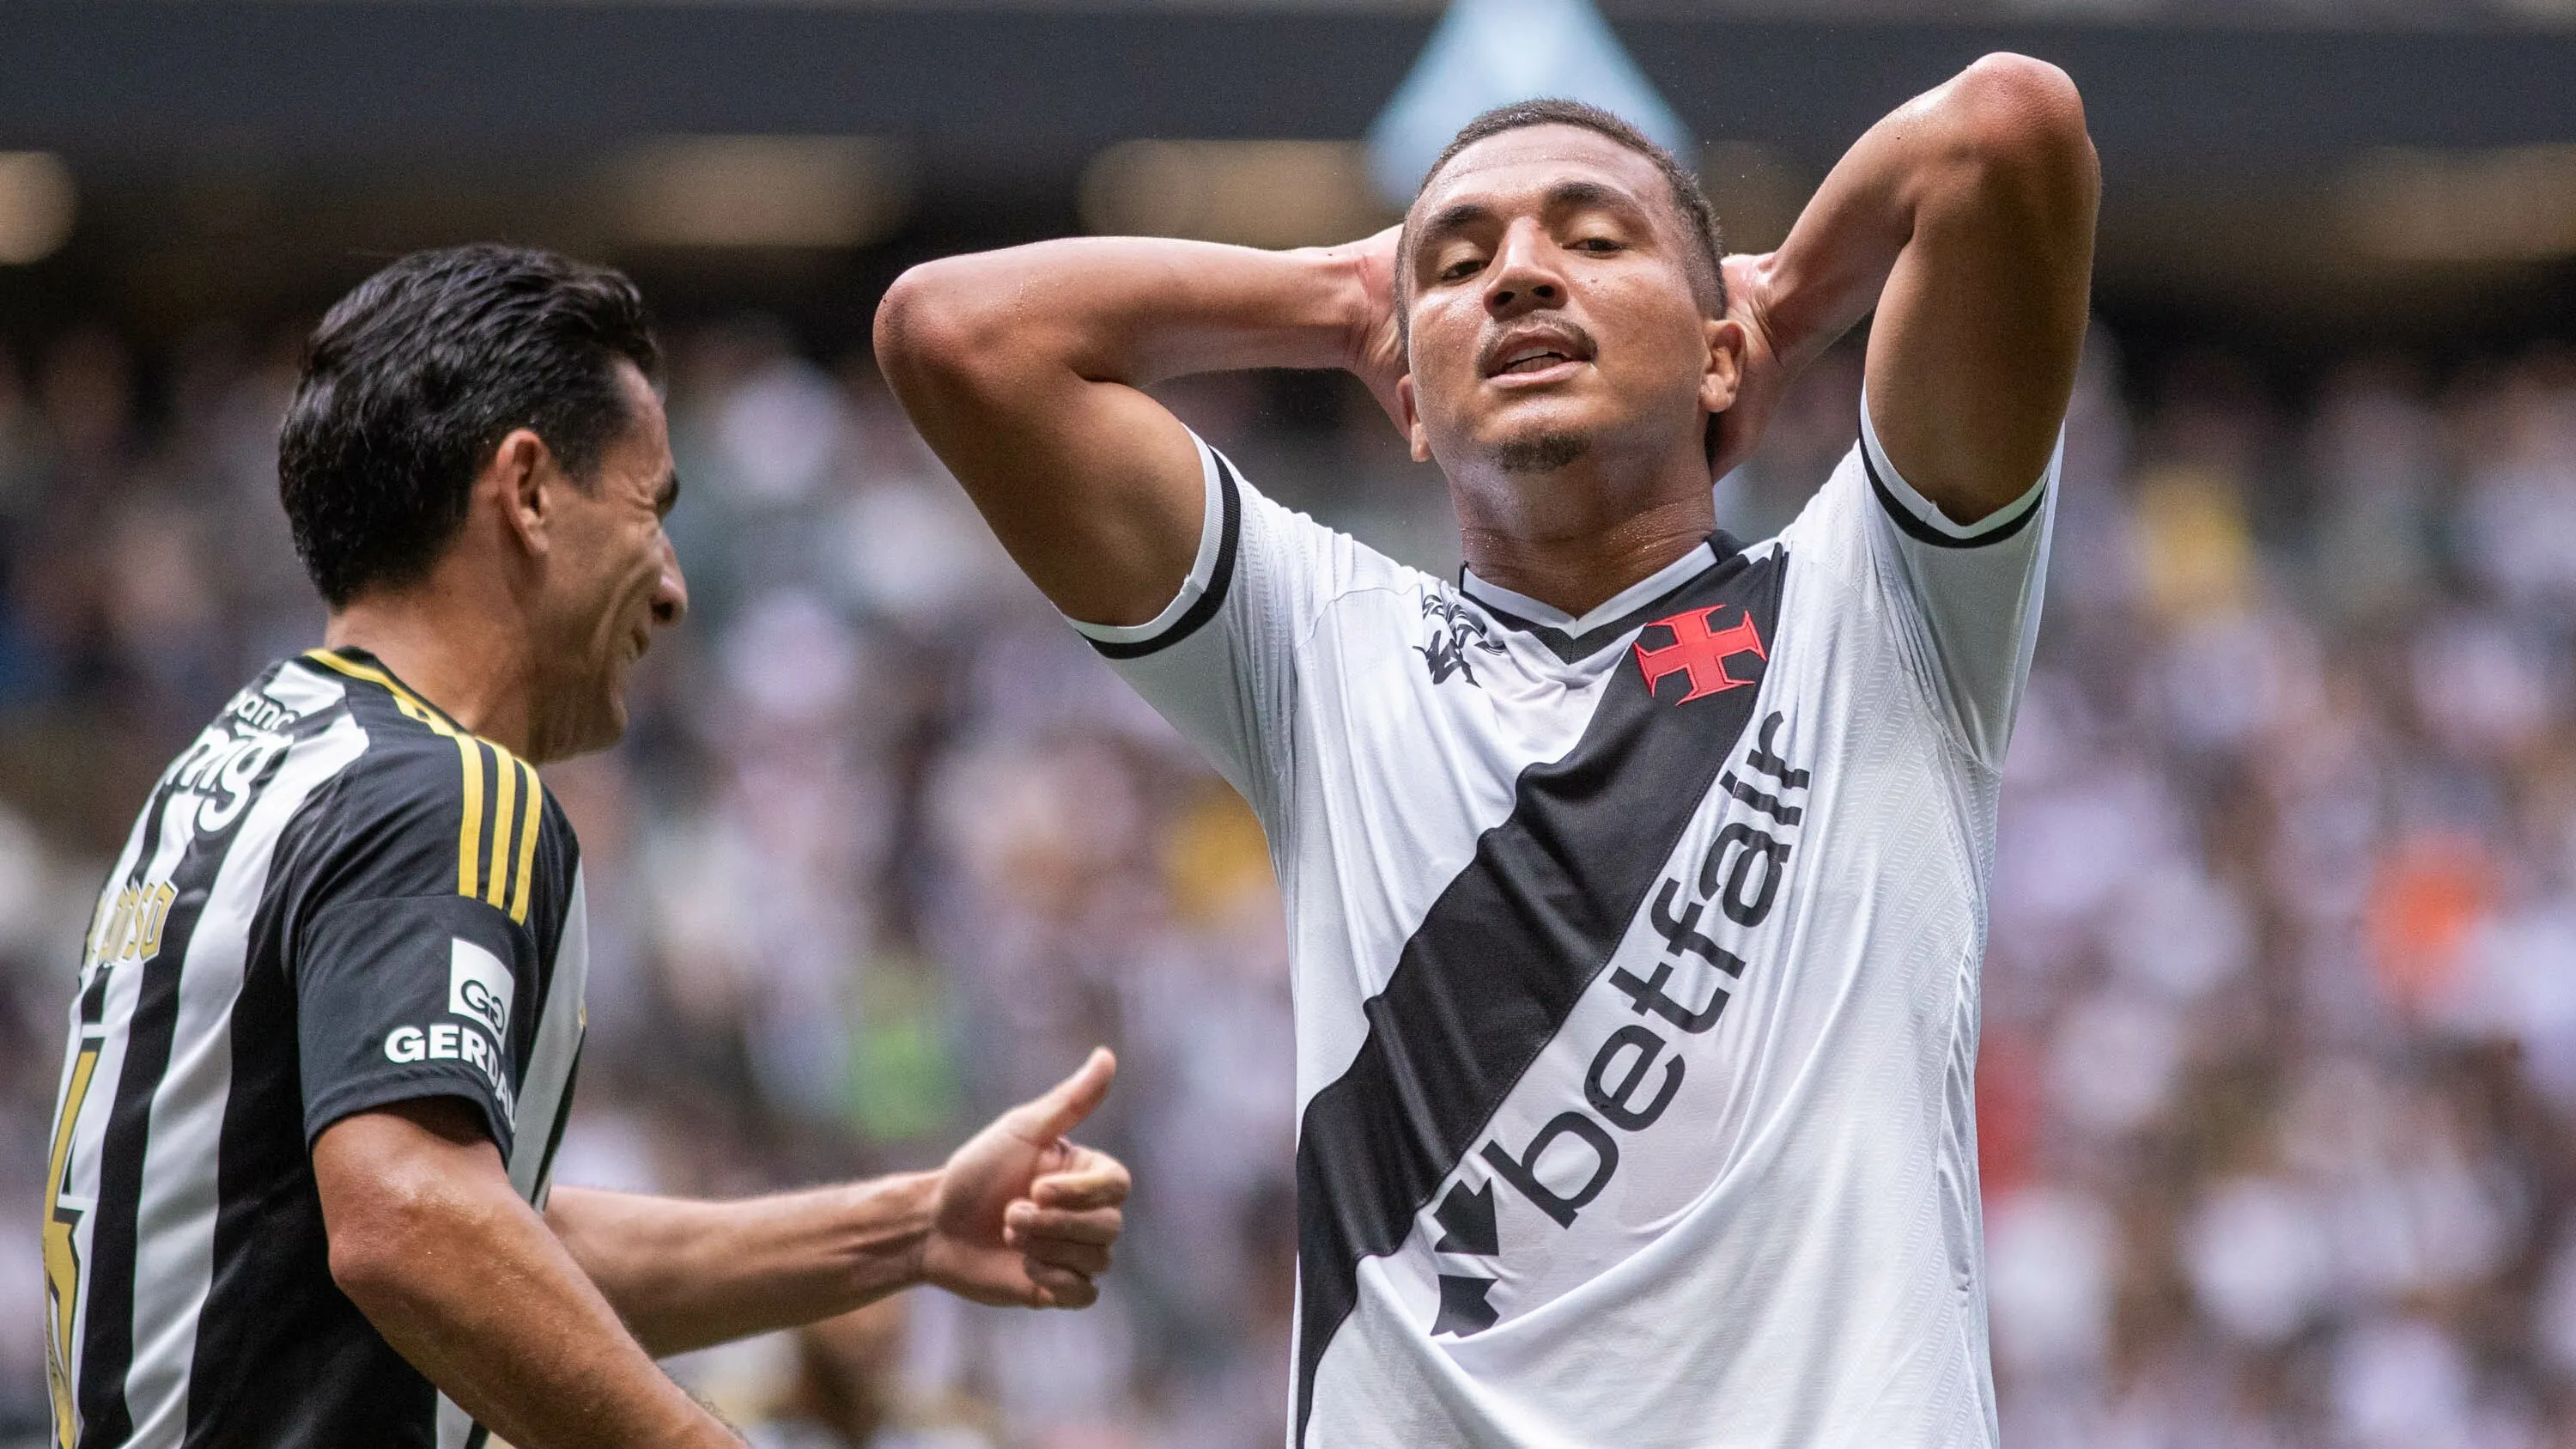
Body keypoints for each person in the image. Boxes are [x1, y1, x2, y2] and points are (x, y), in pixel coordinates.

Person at [878, 52, 2096, 1448]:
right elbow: (953, 334)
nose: (1518, 275)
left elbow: (2005, 132)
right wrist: (1342, 297)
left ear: (1713, 350)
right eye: (1457, 265)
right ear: (1406, 395)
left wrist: (1781, 308)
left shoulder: (1877, 611)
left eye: (1591, 239)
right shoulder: (1321, 658)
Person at [40, 245, 1133, 1449]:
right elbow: (413, 1226)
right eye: (650, 510)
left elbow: (498, 1241)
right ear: (529, 489)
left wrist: (913, 1227)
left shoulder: (239, 768)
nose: (670, 586)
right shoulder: (443, 788)